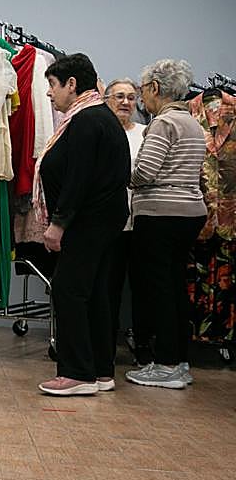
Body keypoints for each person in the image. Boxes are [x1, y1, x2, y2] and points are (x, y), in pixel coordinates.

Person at [36, 53, 130, 396]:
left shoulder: (87, 119)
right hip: (103, 220)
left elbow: (78, 178)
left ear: (71, 84)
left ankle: (77, 372)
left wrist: (58, 224)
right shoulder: (99, 117)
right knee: (95, 294)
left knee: (68, 290)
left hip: (89, 221)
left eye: (52, 85)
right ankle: (101, 370)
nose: (49, 93)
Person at [126, 59, 208, 389]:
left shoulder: (162, 124)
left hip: (161, 214)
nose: (141, 96)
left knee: (157, 289)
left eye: (142, 89)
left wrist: (124, 177)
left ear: (156, 88)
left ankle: (165, 364)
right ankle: (179, 361)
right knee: (174, 287)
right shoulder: (192, 123)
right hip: (190, 212)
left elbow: (145, 172)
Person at [103, 78, 149, 361]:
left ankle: (143, 347)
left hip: (142, 222)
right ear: (107, 99)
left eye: (131, 98)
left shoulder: (146, 134)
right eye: (119, 96)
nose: (125, 103)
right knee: (109, 289)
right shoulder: (101, 132)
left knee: (143, 289)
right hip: (112, 226)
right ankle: (105, 348)